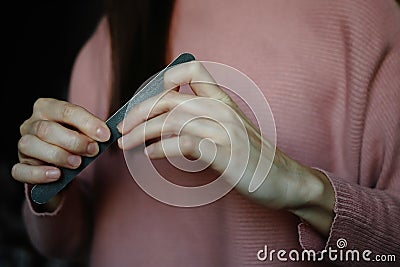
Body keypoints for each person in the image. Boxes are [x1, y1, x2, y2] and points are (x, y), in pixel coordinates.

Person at [11, 0, 400, 266]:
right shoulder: (113, 34)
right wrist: (50, 187)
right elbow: (71, 244)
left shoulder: (369, 19)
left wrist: (302, 188)